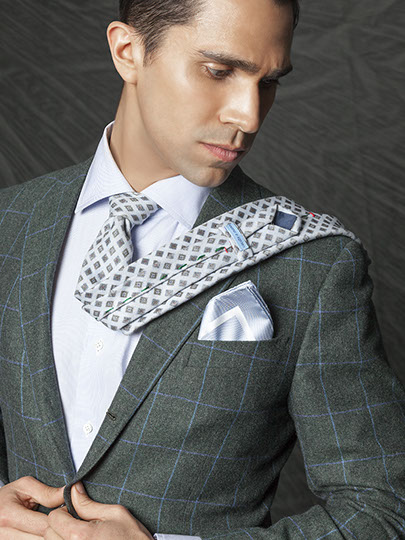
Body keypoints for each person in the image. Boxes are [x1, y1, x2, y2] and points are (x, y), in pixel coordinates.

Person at [0, 0, 404, 538]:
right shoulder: (12, 223)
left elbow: (382, 508)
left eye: (269, 82)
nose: (249, 116)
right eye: (219, 70)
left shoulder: (313, 263)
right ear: (127, 51)